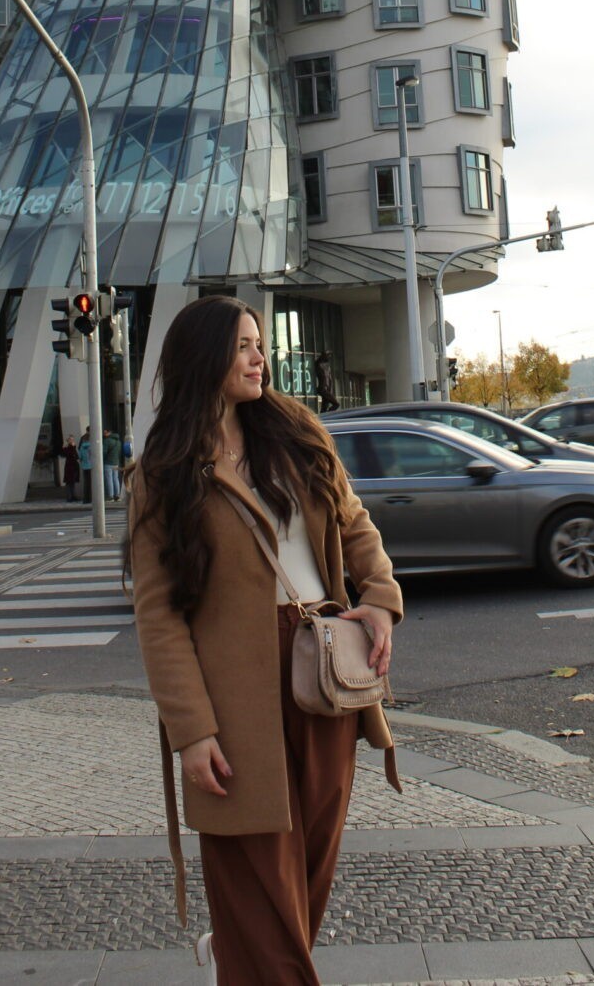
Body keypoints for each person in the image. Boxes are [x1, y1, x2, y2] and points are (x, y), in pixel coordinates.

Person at [126, 296, 402, 985]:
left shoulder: (295, 434)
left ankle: (236, 954)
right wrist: (192, 731)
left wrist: (380, 600)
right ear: (204, 359)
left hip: (321, 670)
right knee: (257, 872)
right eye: (245, 346)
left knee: (306, 868)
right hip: (234, 695)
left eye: (259, 344)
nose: (261, 358)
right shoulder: (162, 475)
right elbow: (158, 615)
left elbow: (354, 519)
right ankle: (246, 958)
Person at [103, 428, 123, 501]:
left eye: (105, 433)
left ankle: (111, 496)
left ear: (109, 432)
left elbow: (104, 452)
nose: (104, 434)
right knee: (116, 479)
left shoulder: (106, 441)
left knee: (109, 480)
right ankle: (117, 495)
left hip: (108, 463)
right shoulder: (119, 442)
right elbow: (119, 452)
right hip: (116, 463)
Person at [62, 435, 80, 502]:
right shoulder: (67, 448)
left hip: (74, 467)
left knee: (72, 482)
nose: (72, 441)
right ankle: (69, 497)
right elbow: (69, 454)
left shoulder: (72, 448)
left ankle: (73, 496)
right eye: (70, 440)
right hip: (69, 467)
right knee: (69, 482)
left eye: (73, 440)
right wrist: (73, 447)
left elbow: (76, 456)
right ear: (68, 441)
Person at [78, 427, 93, 503]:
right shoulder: (92, 445)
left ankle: (86, 499)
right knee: (92, 482)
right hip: (92, 466)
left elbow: (79, 456)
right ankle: (91, 498)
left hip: (84, 466)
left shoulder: (81, 447)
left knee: (86, 482)